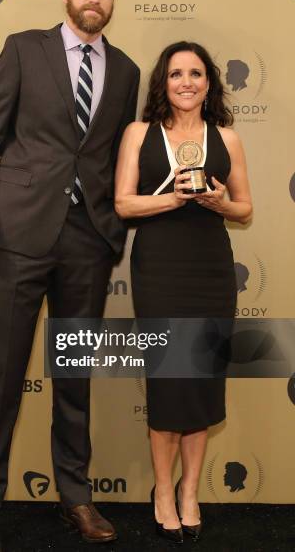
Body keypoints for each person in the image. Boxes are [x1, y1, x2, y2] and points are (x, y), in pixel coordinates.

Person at [0, 0, 139, 552]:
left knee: (74, 376)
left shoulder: (128, 70)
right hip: (17, 235)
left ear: (113, 1)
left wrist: (115, 225)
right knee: (3, 375)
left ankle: (76, 497)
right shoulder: (23, 48)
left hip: (88, 241)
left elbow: (114, 159)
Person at [115, 41, 252, 543]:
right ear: (163, 83)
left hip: (211, 270)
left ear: (208, 82)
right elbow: (124, 205)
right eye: (176, 74)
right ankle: (162, 492)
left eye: (195, 73)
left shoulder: (228, 139)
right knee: (169, 380)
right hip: (160, 270)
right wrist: (174, 198)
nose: (186, 82)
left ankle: (189, 490)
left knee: (201, 382)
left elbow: (245, 209)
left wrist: (218, 201)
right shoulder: (139, 134)